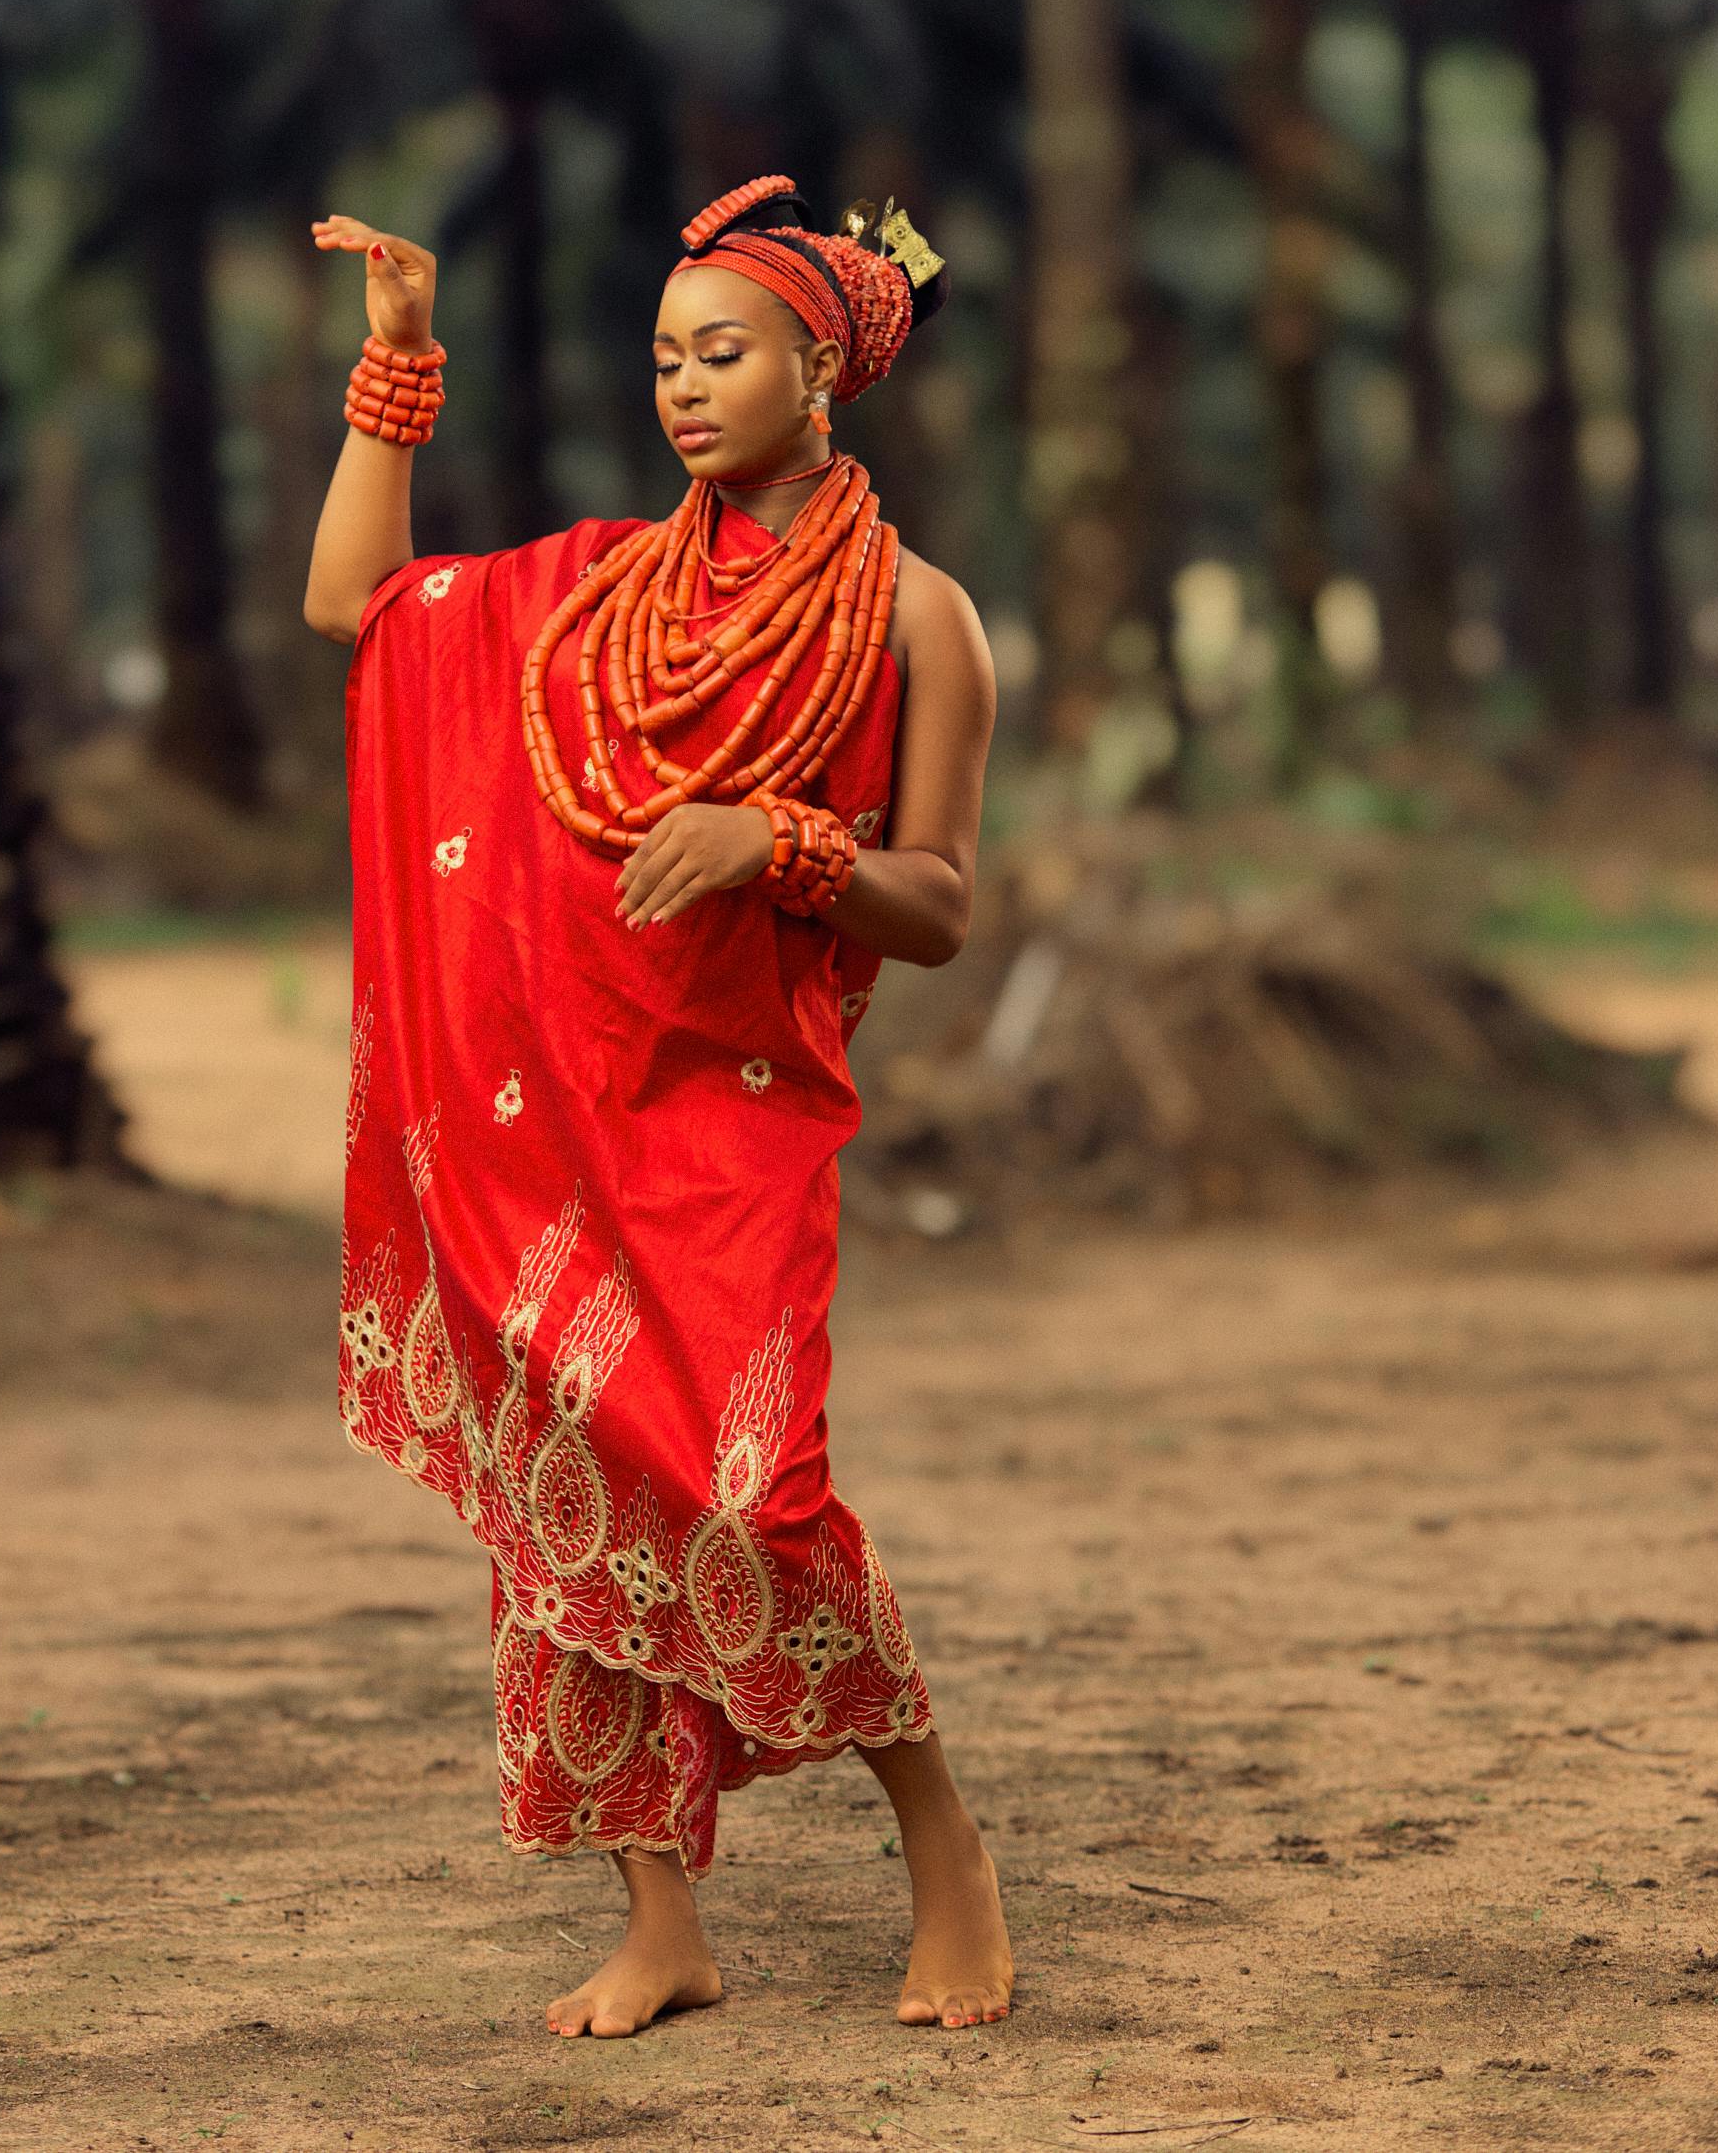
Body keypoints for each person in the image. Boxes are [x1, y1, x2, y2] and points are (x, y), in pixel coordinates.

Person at [303, 175, 1007, 2041]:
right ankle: (659, 1918)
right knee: (570, 1500)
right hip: (556, 1104)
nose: (684, 387)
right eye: (667, 356)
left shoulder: (926, 621)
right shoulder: (598, 591)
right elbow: (350, 602)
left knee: (751, 1497)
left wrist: (777, 842)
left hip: (733, 1115)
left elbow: (935, 903)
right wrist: (396, 371)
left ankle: (945, 1852)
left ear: (822, 371)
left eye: (725, 352)